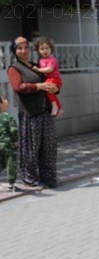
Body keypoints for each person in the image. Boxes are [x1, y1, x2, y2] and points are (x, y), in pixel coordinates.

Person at [7, 36, 59, 189]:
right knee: (31, 147)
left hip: (45, 111)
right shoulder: (14, 68)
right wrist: (39, 86)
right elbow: (19, 87)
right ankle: (30, 178)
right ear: (15, 51)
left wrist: (55, 88)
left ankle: (49, 177)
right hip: (31, 114)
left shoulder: (36, 66)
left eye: (26, 47)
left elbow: (50, 80)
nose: (23, 51)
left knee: (49, 146)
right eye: (19, 48)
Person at [32, 37, 63, 117]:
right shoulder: (41, 60)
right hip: (49, 79)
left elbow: (50, 69)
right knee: (51, 94)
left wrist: (38, 69)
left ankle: (54, 106)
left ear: (51, 49)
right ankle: (58, 108)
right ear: (38, 50)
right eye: (42, 49)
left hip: (54, 78)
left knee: (49, 90)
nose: (45, 51)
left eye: (47, 48)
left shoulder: (52, 59)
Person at [0, 94, 19, 192]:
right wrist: (16, 140)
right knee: (11, 163)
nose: (6, 101)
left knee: (1, 163)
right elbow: (14, 130)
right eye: (4, 99)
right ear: (1, 104)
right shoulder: (8, 116)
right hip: (8, 144)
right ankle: (12, 183)